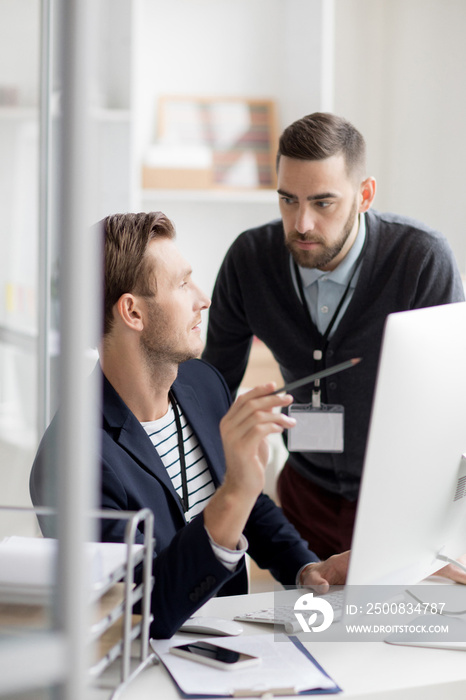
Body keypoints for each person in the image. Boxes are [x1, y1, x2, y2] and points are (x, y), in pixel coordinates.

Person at [30, 211, 349, 640]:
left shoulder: (203, 383)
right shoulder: (69, 461)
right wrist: (236, 490)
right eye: (182, 284)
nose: (204, 298)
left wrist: (305, 568)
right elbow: (140, 611)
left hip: (235, 647)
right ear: (133, 312)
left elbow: (246, 506)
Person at [203, 112, 465, 560]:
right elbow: (208, 388)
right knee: (312, 627)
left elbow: (453, 403)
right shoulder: (249, 260)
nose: (301, 223)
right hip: (304, 496)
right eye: (288, 200)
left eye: (323, 203)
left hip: (403, 507)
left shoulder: (420, 259)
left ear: (364, 195)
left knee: (389, 627)